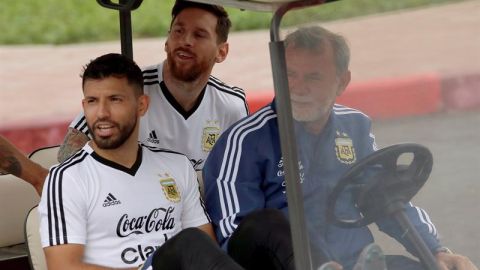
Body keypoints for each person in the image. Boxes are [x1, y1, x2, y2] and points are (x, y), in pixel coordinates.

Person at [203, 26, 478, 270]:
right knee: (267, 224)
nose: (297, 88)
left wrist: (435, 251)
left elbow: (385, 200)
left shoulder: (355, 126)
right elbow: (235, 231)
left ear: (342, 83)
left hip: (360, 260)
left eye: (312, 77)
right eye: (290, 75)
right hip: (290, 264)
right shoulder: (245, 140)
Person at [1, 0, 248, 195]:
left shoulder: (232, 104)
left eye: (199, 35)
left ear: (222, 52)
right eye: (178, 31)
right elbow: (69, 154)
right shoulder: (129, 89)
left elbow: (240, 178)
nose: (185, 41)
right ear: (166, 41)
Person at [39, 53, 244, 270]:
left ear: (141, 105)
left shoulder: (177, 166)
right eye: (92, 101)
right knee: (188, 242)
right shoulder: (66, 178)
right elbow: (63, 267)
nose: (101, 113)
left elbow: (207, 248)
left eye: (115, 100)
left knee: (261, 225)